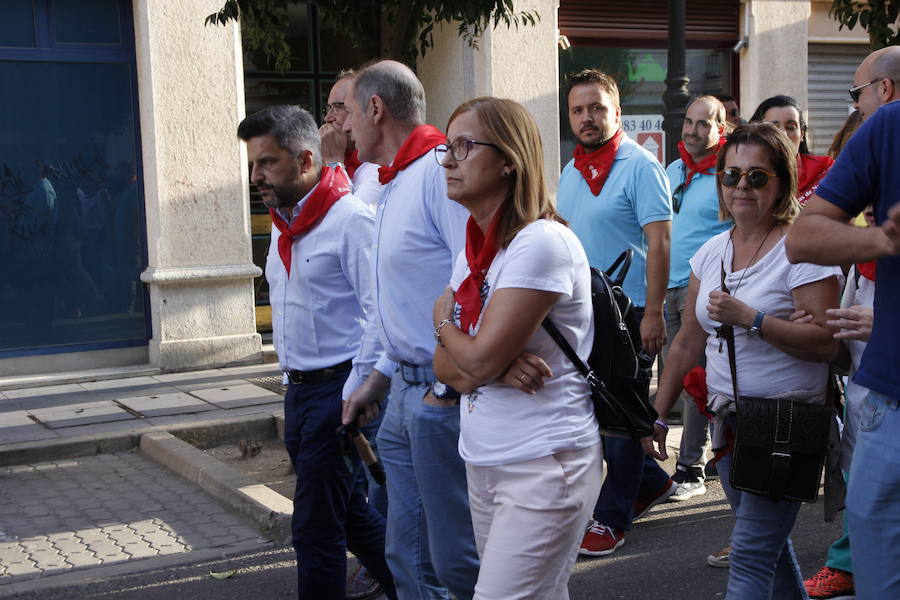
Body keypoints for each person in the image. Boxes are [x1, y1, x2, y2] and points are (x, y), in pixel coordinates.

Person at [645, 122, 842, 598]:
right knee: (768, 555)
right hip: (730, 425)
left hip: (784, 426)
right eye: (731, 176)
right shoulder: (711, 252)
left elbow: (825, 344)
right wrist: (656, 414)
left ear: (782, 183)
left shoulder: (803, 249)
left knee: (751, 557)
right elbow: (688, 341)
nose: (740, 187)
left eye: (757, 177)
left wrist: (753, 319)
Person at [430, 96, 602, 599]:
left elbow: (470, 357)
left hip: (543, 462)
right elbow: (448, 370)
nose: (449, 159)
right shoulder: (476, 250)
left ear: (509, 159)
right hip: (487, 457)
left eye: (465, 145)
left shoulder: (540, 242)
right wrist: (491, 365)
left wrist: (443, 324)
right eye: (448, 145)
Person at [236, 106, 396, 600]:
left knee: (313, 528)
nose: (255, 176)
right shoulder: (284, 222)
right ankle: (415, 586)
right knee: (347, 513)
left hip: (341, 391)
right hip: (300, 392)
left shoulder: (350, 221)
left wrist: (357, 391)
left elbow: (379, 314)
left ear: (305, 159)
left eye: (267, 163)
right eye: (253, 164)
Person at [339, 60, 480, 600]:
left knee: (440, 558)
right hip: (403, 385)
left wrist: (446, 384)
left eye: (346, 110)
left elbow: (472, 279)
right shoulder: (391, 177)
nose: (342, 126)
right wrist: (374, 377)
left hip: (435, 389)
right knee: (405, 553)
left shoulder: (437, 172)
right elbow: (390, 301)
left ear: (376, 108)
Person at [785, 45, 900, 599]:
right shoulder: (887, 132)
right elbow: (802, 237)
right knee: (880, 575)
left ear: (885, 88)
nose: (854, 107)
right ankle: (845, 562)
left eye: (856, 94)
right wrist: (878, 239)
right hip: (888, 396)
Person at [557, 68, 675, 557]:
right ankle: (650, 482)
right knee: (598, 408)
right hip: (581, 312)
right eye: (578, 110)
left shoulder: (641, 166)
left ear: (617, 112)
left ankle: (611, 516)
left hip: (628, 312)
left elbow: (660, 241)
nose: (587, 118)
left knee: (623, 418)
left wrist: (654, 313)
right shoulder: (569, 171)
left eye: (597, 108)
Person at [802, 205, 875, 600]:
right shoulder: (863, 262)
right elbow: (842, 346)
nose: (868, 209)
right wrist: (816, 333)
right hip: (864, 406)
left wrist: (883, 328)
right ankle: (849, 564)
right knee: (859, 491)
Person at [663, 95, 732, 502]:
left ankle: (691, 468)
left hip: (703, 289)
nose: (692, 131)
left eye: (704, 124)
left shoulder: (728, 174)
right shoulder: (673, 170)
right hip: (668, 287)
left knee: (695, 383)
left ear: (720, 128)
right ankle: (686, 463)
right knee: (671, 374)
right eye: (689, 122)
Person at [749, 95, 833, 207]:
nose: (783, 134)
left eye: (791, 127)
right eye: (774, 128)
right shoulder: (743, 174)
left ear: (802, 134)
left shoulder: (826, 171)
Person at [320, 70, 383, 209]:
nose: (328, 118)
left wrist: (333, 162)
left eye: (338, 107)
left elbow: (346, 220)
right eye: (329, 108)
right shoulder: (333, 156)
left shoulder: (380, 165)